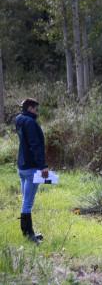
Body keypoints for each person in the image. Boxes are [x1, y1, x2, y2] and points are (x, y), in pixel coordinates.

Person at [15, 98, 47, 244]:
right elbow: (35, 146)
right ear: (29, 108)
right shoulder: (30, 123)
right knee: (28, 203)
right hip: (31, 168)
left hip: (21, 166)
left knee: (25, 201)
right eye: (35, 109)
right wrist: (43, 166)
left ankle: (28, 233)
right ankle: (29, 234)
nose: (36, 112)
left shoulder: (19, 120)